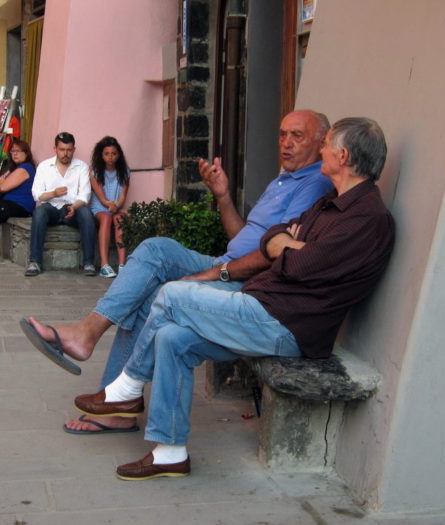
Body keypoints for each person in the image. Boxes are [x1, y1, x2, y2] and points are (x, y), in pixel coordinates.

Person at [70, 116, 396, 480]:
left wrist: (287, 247)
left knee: (171, 295)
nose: (321, 151)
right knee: (171, 338)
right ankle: (169, 451)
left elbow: (301, 264)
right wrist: (287, 243)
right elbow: (274, 237)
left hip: (286, 325)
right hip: (265, 306)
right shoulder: (333, 204)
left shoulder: (366, 218)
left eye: (325, 144)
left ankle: (126, 389)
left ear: (343, 154)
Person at [21, 109, 334, 433]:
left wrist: (218, 273)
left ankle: (113, 393)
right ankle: (90, 333)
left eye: (297, 136)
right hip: (227, 261)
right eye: (282, 134)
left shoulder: (314, 184)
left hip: (249, 281)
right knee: (155, 248)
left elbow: (276, 257)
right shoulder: (284, 178)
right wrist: (223, 196)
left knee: (152, 296)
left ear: (321, 142)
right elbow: (242, 238)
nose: (286, 143)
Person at [24, 132, 96, 277]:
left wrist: (74, 207)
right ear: (55, 149)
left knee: (87, 215)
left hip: (73, 208)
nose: (65, 154)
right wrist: (54, 194)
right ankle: (35, 262)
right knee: (39, 212)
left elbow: (85, 195)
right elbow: (36, 194)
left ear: (74, 149)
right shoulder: (44, 166)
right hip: (51, 208)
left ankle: (88, 263)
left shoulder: (81, 166)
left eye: (69, 150)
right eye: (62, 150)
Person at [89, 136, 130, 278]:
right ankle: (104, 265)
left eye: (113, 153)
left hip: (116, 207)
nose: (110, 157)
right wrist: (109, 204)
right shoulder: (95, 172)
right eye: (107, 154)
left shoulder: (124, 172)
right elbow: (101, 197)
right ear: (101, 155)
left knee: (120, 219)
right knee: (106, 218)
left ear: (118, 155)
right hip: (100, 208)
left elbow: (123, 195)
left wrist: (117, 205)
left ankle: (122, 265)